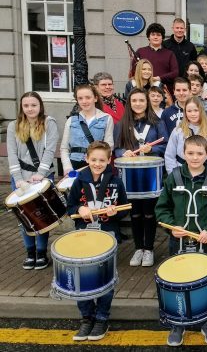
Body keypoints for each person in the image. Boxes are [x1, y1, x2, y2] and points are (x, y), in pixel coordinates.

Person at [155, 135, 207, 346]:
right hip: (178, 241)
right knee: (177, 280)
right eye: (190, 153)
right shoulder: (174, 177)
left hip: (205, 240)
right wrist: (171, 225)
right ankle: (178, 322)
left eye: (199, 153)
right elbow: (162, 208)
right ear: (183, 154)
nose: (195, 157)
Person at [66, 141, 128, 342]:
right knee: (81, 278)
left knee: (105, 278)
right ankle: (87, 317)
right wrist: (78, 210)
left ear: (109, 160)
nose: (98, 163)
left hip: (107, 235)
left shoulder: (116, 181)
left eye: (102, 160)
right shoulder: (79, 181)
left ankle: (102, 317)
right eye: (93, 160)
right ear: (87, 159)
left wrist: (114, 213)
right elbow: (70, 207)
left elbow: (125, 209)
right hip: (83, 236)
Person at [114, 88, 169, 267]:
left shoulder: (157, 123)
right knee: (135, 213)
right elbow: (117, 148)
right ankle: (138, 248)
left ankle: (149, 249)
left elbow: (166, 145)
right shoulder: (122, 124)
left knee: (148, 213)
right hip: (130, 176)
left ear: (147, 102)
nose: (138, 104)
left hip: (151, 175)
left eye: (141, 100)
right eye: (134, 101)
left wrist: (152, 149)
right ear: (129, 103)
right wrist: (124, 152)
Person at [8, 92, 59, 270]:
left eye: (33, 105)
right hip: (20, 178)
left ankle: (41, 252)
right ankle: (30, 252)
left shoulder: (49, 123)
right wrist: (19, 180)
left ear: (40, 106)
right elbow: (12, 155)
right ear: (22, 107)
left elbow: (50, 150)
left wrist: (41, 173)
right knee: (25, 217)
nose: (30, 109)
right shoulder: (13, 126)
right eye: (26, 105)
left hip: (41, 177)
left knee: (41, 217)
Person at [60, 84, 114, 173]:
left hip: (97, 165)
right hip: (74, 165)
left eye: (88, 97)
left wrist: (98, 164)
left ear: (95, 98)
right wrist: (67, 168)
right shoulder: (71, 120)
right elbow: (64, 148)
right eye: (80, 98)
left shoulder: (106, 118)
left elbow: (109, 146)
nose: (84, 101)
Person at [165, 96, 207, 174]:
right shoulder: (178, 131)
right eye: (189, 111)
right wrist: (175, 174)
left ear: (201, 111)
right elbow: (169, 155)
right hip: (181, 171)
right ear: (185, 112)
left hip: (205, 171)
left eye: (196, 110)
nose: (193, 114)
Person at [133, 23, 179, 89]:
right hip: (143, 89)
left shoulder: (169, 54)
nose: (155, 37)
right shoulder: (140, 52)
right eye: (153, 34)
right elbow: (134, 71)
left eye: (158, 35)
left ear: (162, 37)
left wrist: (159, 78)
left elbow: (175, 73)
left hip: (163, 90)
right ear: (148, 36)